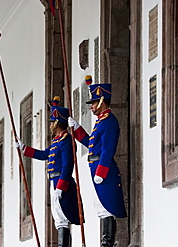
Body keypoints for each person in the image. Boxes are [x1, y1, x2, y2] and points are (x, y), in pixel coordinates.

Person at [15, 96, 83, 247]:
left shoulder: (66, 141)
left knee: (63, 219)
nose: (51, 125)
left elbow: (67, 165)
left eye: (52, 122)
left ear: (58, 123)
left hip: (61, 183)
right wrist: (24, 148)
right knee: (59, 219)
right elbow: (43, 154)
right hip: (54, 182)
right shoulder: (57, 141)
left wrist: (61, 186)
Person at [68, 81, 127, 247]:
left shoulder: (109, 121)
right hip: (96, 168)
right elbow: (91, 143)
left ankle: (107, 244)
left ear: (101, 101)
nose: (92, 107)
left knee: (107, 208)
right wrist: (78, 129)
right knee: (100, 208)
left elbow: (108, 150)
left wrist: (101, 172)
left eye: (93, 103)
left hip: (104, 170)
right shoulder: (101, 121)